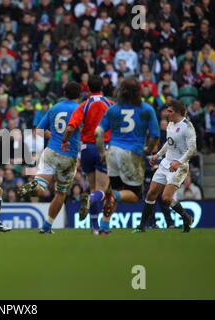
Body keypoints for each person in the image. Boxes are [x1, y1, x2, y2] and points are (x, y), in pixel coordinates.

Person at [95, 77, 160, 234]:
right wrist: (148, 150)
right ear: (138, 91)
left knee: (115, 187)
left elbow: (98, 132)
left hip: (112, 151)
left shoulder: (113, 109)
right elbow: (155, 135)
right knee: (133, 194)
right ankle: (114, 196)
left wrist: (102, 152)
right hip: (132, 153)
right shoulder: (146, 109)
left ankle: (104, 225)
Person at [17, 82, 82, 233]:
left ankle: (34, 186)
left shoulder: (54, 108)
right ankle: (47, 226)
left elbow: (38, 130)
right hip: (68, 155)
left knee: (41, 185)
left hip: (51, 151)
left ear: (64, 93)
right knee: (60, 193)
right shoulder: (79, 109)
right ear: (79, 95)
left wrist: (53, 136)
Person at [61, 75, 113, 234]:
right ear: (102, 88)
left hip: (86, 150)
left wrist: (64, 141)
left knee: (94, 188)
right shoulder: (111, 105)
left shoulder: (83, 105)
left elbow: (70, 128)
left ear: (88, 88)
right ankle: (90, 201)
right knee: (103, 190)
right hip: (103, 148)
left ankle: (95, 227)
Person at [134, 101, 196, 233]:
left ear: (178, 112)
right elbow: (169, 143)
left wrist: (178, 162)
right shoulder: (170, 125)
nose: (167, 114)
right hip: (166, 162)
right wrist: (158, 154)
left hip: (179, 166)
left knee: (166, 198)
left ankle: (186, 217)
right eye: (167, 111)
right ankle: (142, 226)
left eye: (170, 111)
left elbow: (192, 149)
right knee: (151, 194)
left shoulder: (187, 126)